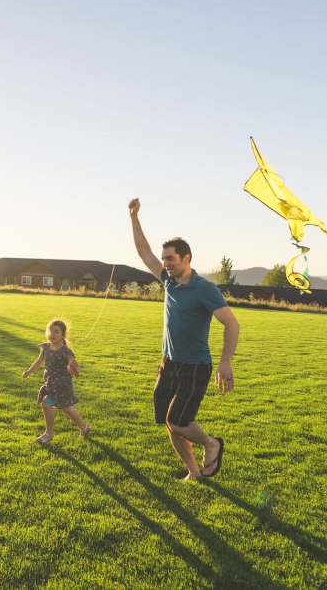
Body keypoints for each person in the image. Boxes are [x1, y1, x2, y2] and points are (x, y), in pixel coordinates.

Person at [129, 198, 239, 480]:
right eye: (164, 258)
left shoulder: (205, 289)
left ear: (187, 258)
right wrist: (134, 217)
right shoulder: (168, 281)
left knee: (177, 420)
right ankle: (194, 472)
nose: (165, 263)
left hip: (194, 366)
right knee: (171, 423)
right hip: (169, 363)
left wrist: (226, 362)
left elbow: (231, 324)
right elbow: (144, 252)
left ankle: (212, 444)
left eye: (170, 258)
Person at [22, 318, 90, 444]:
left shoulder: (66, 351)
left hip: (62, 384)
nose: (52, 334)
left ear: (62, 335)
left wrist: (73, 365)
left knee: (51, 405)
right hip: (51, 382)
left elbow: (73, 364)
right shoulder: (46, 349)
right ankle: (84, 427)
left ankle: (49, 433)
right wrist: (28, 372)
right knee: (65, 407)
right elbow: (38, 363)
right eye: (50, 331)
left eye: (56, 332)